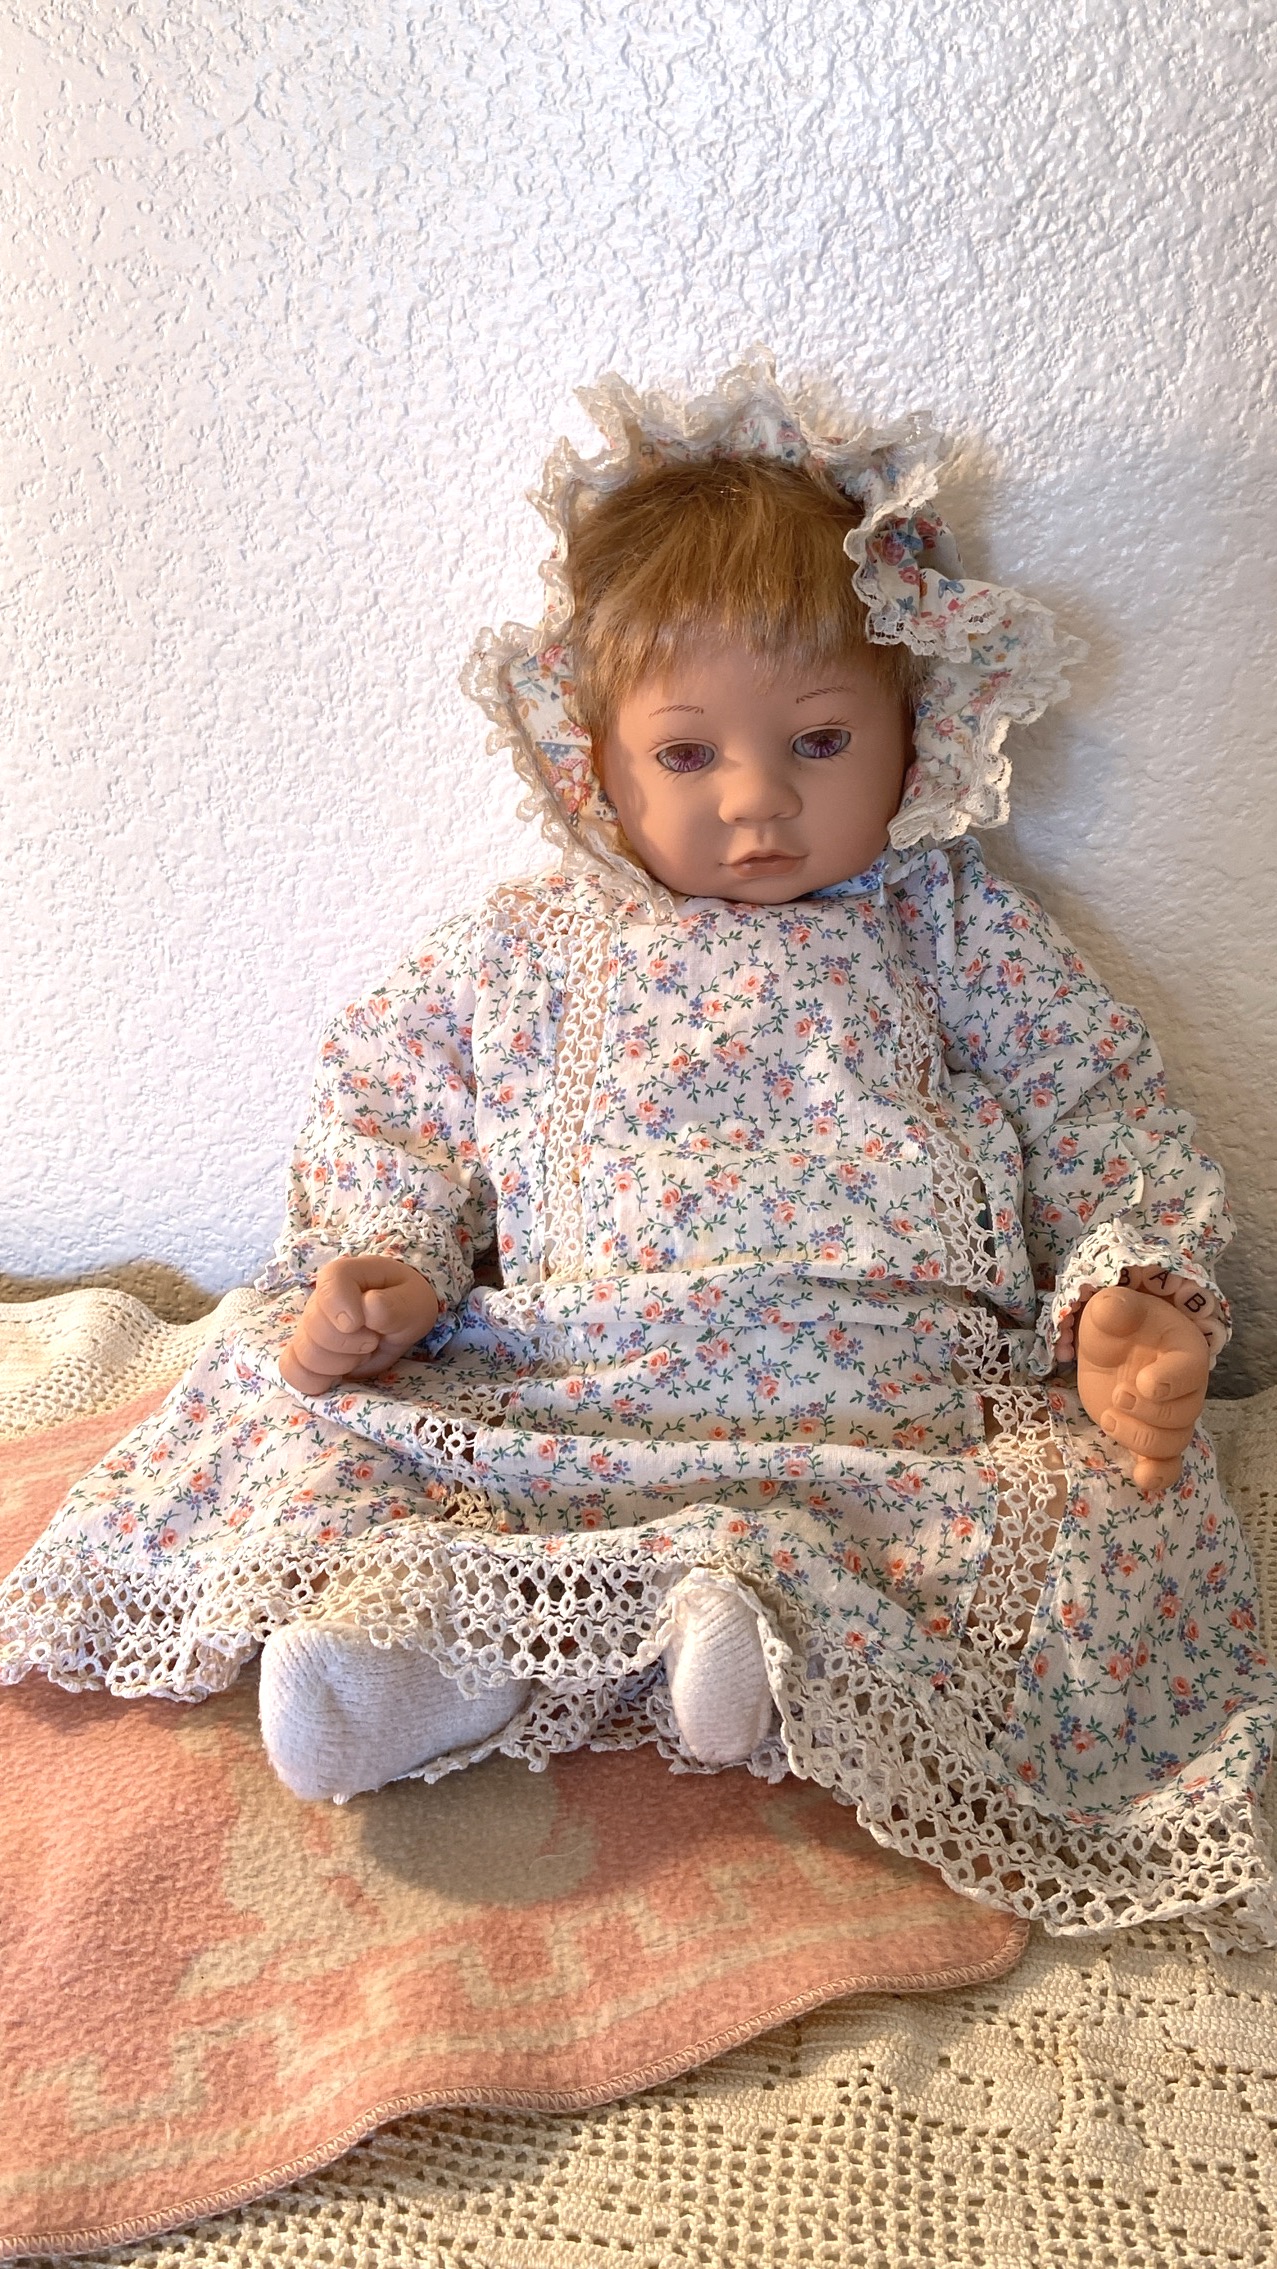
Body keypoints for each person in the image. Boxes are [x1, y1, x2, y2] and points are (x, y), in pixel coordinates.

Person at [3, 359, 1271, 1948]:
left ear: (915, 731)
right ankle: (433, 1655)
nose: (758, 804)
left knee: (1100, 1510)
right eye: (688, 756)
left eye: (819, 740)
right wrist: (385, 1260)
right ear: (590, 760)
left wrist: (1127, 1289)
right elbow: (392, 1100)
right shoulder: (523, 951)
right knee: (288, 1402)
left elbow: (1095, 1106)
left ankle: (749, 1639)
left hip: (889, 1393)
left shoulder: (948, 928)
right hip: (577, 1378)